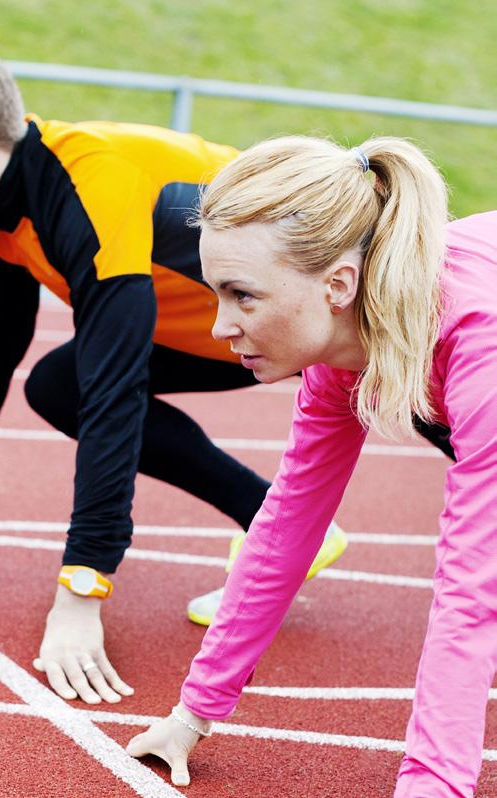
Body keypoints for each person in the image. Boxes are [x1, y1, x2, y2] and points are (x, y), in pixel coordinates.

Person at [0, 31, 350, 705]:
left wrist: (83, 587)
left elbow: (116, 390)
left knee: (445, 407)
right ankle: (281, 521)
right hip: (229, 331)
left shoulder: (90, 183)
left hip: (325, 303)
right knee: (57, 384)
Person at [126, 135, 497, 797]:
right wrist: (194, 712)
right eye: (216, 293)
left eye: (243, 296)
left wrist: (432, 785)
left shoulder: (478, 341)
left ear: (338, 285)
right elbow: (286, 529)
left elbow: (470, 590)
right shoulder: (341, 351)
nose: (218, 327)